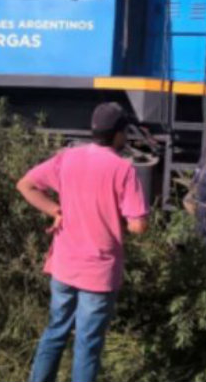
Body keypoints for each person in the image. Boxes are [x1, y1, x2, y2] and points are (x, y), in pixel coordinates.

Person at [16, 102, 149, 382]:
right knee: (87, 345)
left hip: (64, 265)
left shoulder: (68, 157)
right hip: (98, 273)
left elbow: (25, 185)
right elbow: (137, 226)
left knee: (55, 331)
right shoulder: (123, 170)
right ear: (117, 134)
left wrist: (55, 210)